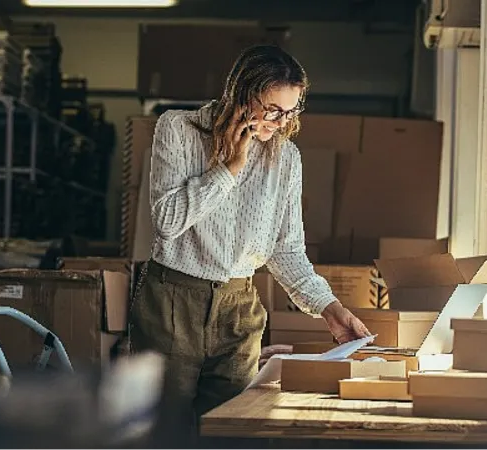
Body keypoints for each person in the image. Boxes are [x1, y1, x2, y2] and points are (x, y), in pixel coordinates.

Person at [129, 44, 371, 440]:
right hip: (172, 302)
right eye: (273, 109)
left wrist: (331, 309)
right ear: (242, 94)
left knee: (232, 431)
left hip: (239, 311)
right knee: (162, 433)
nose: (280, 122)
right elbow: (168, 221)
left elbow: (286, 250)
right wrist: (229, 169)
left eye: (291, 111)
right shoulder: (177, 128)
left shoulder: (286, 159)